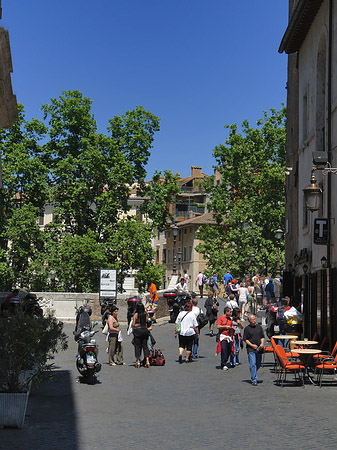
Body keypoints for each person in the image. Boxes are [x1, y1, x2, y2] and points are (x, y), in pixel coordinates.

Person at [243, 314, 265, 386]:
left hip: (259, 348)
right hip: (251, 349)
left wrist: (262, 343)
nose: (254, 321)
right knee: (252, 364)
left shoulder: (259, 327)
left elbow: (262, 337)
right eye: (252, 320)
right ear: (249, 321)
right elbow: (245, 339)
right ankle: (254, 379)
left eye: (254, 319)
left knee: (258, 364)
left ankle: (253, 372)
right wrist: (252, 345)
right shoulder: (247, 329)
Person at [131, 303, 152, 368]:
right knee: (145, 346)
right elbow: (148, 321)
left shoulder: (136, 315)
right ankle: (147, 361)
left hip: (137, 331)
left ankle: (138, 362)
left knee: (137, 346)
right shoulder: (146, 314)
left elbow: (133, 324)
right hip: (144, 330)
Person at [216, 306, 235, 370]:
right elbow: (218, 326)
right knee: (223, 349)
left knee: (229, 350)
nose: (231, 313)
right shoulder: (220, 318)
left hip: (229, 336)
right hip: (223, 336)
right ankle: (223, 363)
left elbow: (232, 326)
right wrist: (225, 326)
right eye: (230, 312)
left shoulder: (230, 319)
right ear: (226, 312)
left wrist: (232, 329)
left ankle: (225, 361)